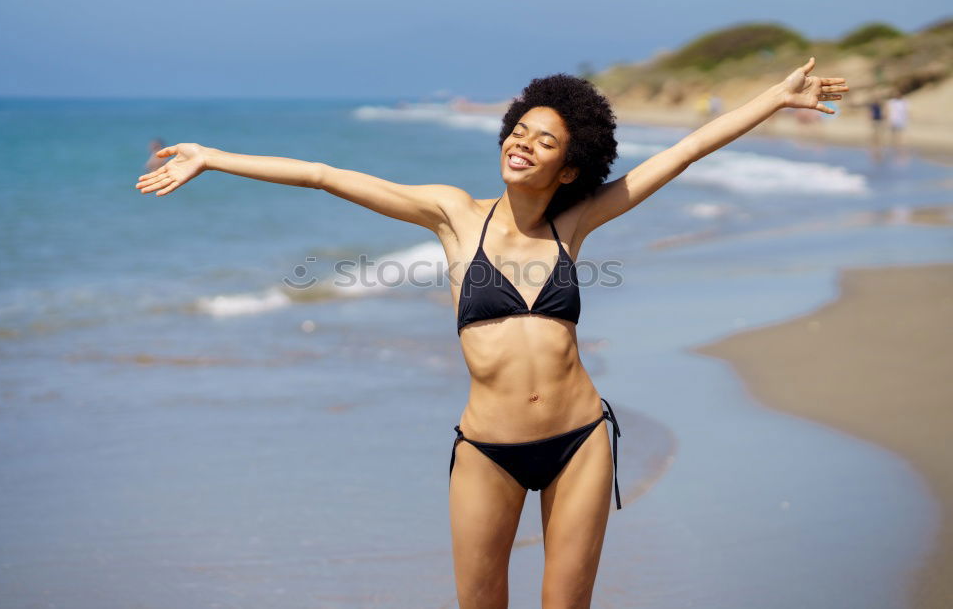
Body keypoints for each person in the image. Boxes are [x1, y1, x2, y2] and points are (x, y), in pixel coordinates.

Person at [135, 56, 847, 607]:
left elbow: (685, 151)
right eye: (518, 131)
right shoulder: (452, 216)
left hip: (581, 444)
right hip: (487, 450)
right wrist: (213, 157)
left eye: (544, 141)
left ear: (569, 165)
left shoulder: (577, 222)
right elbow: (324, 174)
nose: (522, 144)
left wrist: (776, 100)